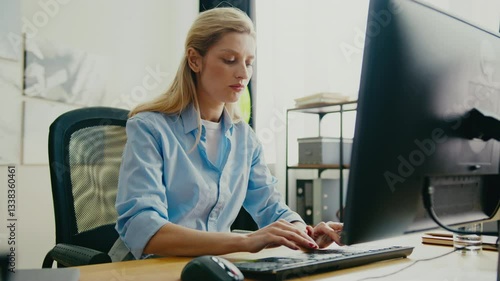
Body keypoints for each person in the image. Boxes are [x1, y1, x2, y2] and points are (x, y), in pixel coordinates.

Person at [113, 7, 343, 260]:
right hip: (150, 268)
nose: (243, 74)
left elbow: (271, 207)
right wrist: (246, 240)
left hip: (215, 267)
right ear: (194, 60)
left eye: (249, 62)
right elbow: (143, 230)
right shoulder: (150, 128)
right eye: (230, 60)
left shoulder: (245, 138)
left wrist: (304, 234)